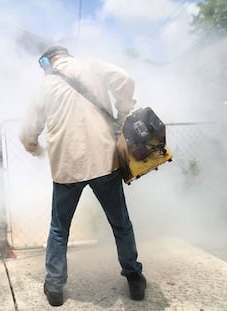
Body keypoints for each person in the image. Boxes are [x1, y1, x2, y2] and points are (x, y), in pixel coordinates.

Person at [19, 46, 146, 306]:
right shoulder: (92, 65)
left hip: (67, 168)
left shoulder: (45, 86)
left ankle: (54, 288)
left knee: (58, 230)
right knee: (120, 224)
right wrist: (122, 115)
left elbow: (28, 132)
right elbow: (126, 80)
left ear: (46, 62)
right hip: (104, 162)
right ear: (67, 55)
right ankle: (134, 278)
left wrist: (36, 148)